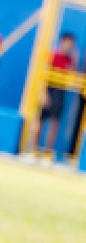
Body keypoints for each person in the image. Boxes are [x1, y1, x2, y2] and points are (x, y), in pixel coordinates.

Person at [28, 33, 77, 163]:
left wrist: (75, 61)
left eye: (71, 43)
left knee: (54, 123)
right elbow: (43, 75)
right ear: (62, 41)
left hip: (60, 92)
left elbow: (71, 79)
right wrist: (43, 93)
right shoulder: (52, 55)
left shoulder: (70, 60)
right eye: (67, 42)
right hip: (49, 90)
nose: (69, 45)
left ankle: (47, 153)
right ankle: (33, 150)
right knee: (40, 121)